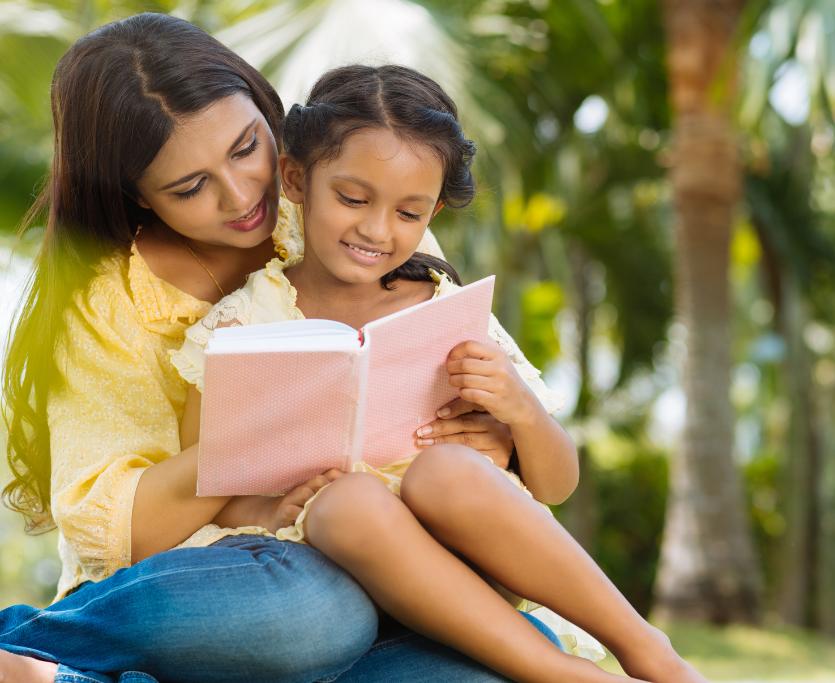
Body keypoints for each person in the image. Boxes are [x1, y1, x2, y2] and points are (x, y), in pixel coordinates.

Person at [0, 13, 560, 683]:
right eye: (191, 187)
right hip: (234, 580)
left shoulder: (350, 201)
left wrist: (494, 432)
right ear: (137, 196)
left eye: (247, 147)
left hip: (402, 567)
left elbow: (494, 407)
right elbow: (123, 530)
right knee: (317, 619)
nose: (242, 195)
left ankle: (65, 680)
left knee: (501, 655)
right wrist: (266, 437)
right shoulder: (108, 303)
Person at [173, 64, 709, 683]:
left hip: (469, 555)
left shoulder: (443, 307)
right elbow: (205, 483)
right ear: (296, 180)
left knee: (447, 471)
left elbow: (557, 484)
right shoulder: (238, 327)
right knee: (347, 502)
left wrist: (521, 415)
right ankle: (563, 675)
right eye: (353, 199)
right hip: (340, 571)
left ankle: (647, 649)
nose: (378, 230)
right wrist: (261, 515)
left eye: (411, 212)